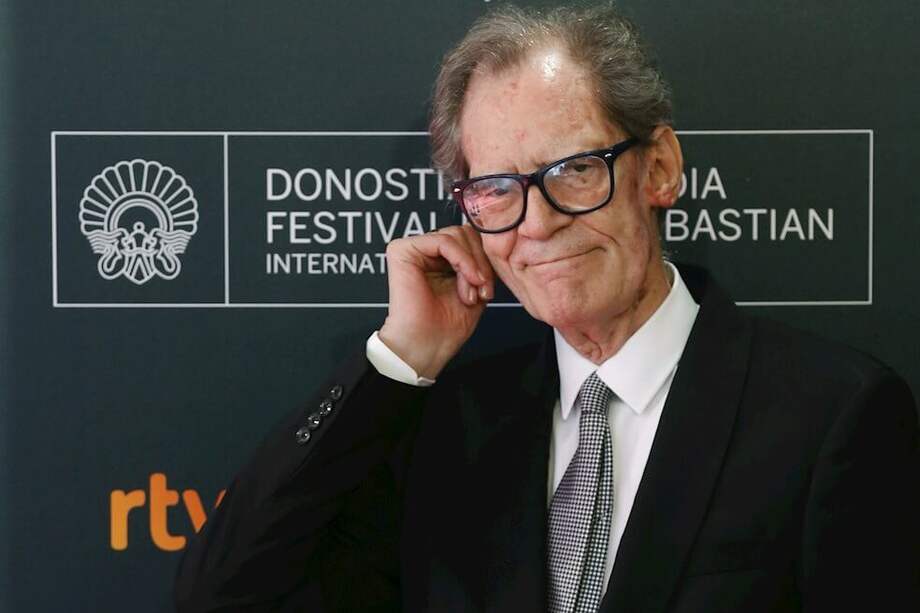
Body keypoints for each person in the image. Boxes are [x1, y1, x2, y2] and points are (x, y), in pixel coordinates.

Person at [174, 4, 919, 612]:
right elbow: (223, 592)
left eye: (573, 169)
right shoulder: (447, 429)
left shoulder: (832, 415)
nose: (535, 222)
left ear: (658, 168)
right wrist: (397, 361)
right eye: (496, 188)